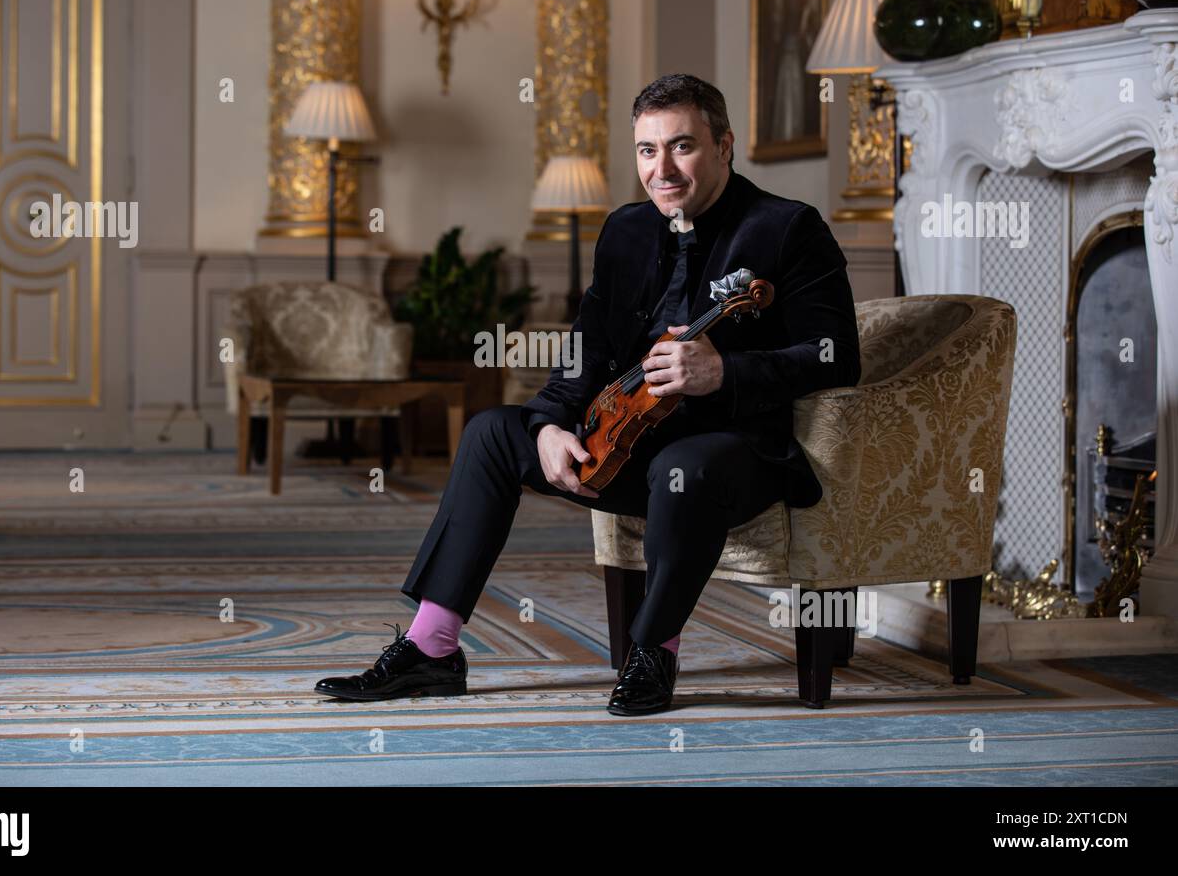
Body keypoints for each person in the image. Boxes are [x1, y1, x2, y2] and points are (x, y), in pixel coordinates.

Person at [315, 73, 861, 715]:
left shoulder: (788, 229)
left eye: (682, 147)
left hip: (735, 449)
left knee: (681, 470)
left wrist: (725, 372)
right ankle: (432, 647)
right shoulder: (626, 231)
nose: (663, 170)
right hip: (622, 438)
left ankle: (654, 654)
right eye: (647, 151)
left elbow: (836, 355)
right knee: (493, 433)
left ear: (724, 147)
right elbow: (587, 350)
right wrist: (548, 423)